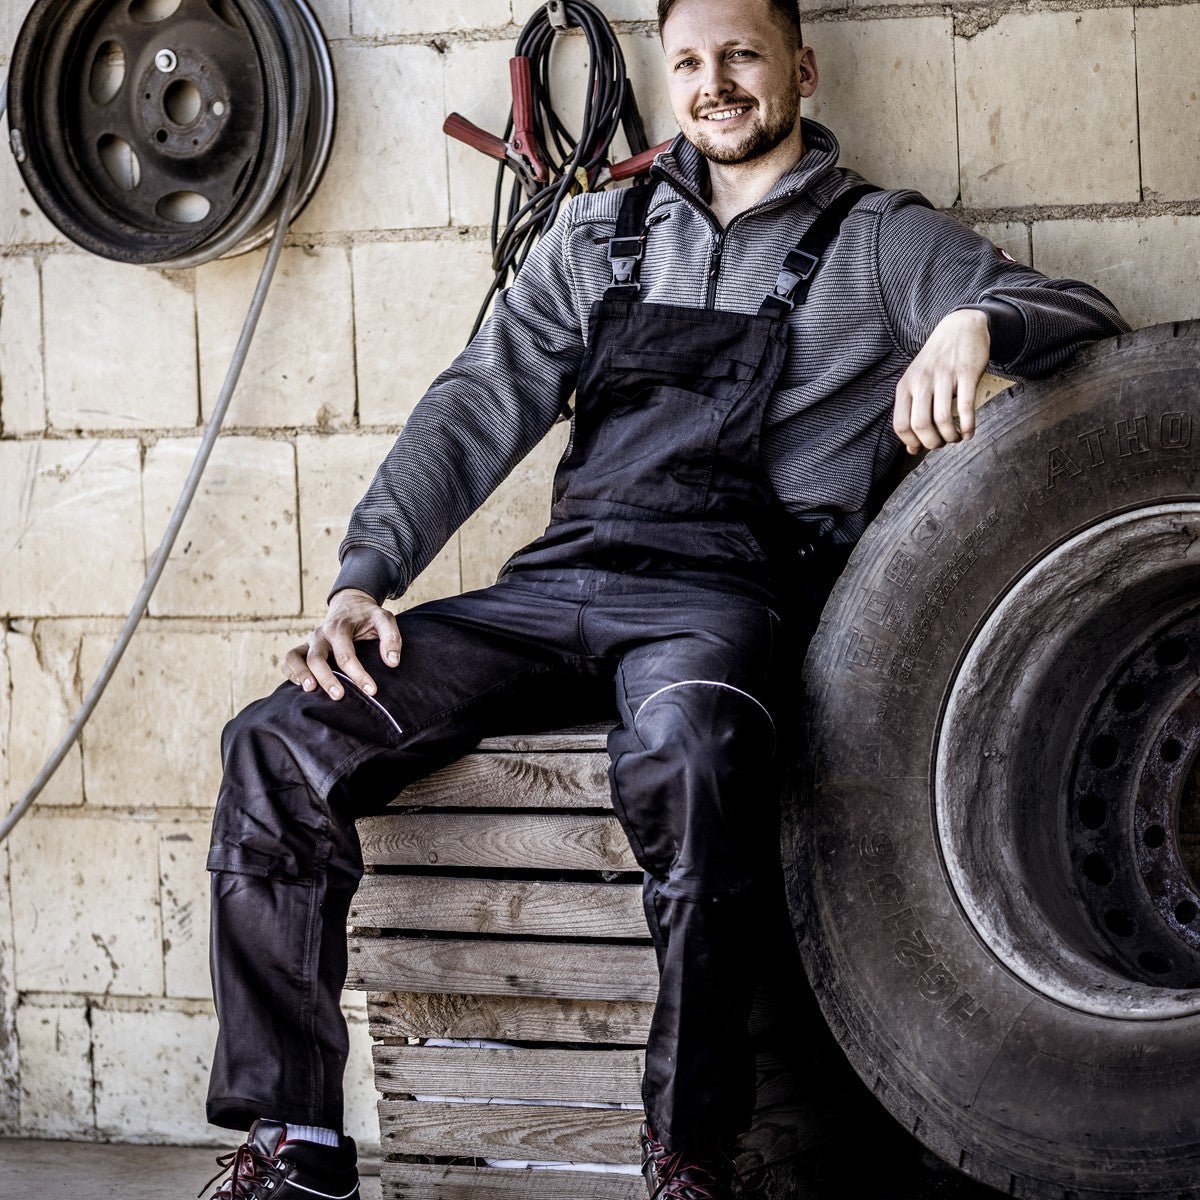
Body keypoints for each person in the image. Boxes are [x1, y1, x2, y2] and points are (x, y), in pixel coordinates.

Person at [197, 0, 1130, 1196]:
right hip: (562, 585)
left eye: (742, 55)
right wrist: (363, 577)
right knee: (279, 738)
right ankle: (298, 1142)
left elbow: (1084, 314)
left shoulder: (881, 239)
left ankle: (690, 1147)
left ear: (800, 68)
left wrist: (974, 319)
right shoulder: (599, 231)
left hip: (720, 602)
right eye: (689, 61)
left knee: (692, 754)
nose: (714, 83)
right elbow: (476, 401)